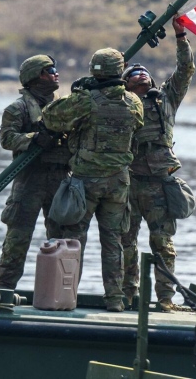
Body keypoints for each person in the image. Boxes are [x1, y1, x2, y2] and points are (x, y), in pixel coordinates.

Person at [42, 48, 144, 312]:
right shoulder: (134, 102)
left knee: (75, 241)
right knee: (113, 242)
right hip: (118, 183)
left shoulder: (85, 100)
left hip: (85, 182)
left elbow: (51, 117)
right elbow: (138, 126)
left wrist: (78, 92)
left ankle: (67, 297)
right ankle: (115, 300)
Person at [120, 17, 195, 312]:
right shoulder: (118, 104)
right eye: (133, 76)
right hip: (127, 181)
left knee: (162, 243)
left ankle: (165, 298)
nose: (141, 78)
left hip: (160, 182)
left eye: (144, 76)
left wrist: (180, 37)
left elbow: (186, 70)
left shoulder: (165, 100)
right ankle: (127, 296)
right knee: (126, 243)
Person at [0, 55, 72, 290]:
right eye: (50, 70)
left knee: (61, 238)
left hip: (60, 178)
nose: (56, 73)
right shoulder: (17, 108)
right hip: (30, 178)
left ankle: (59, 291)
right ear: (35, 76)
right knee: (18, 237)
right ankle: (5, 289)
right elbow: (7, 139)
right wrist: (34, 138)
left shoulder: (65, 106)